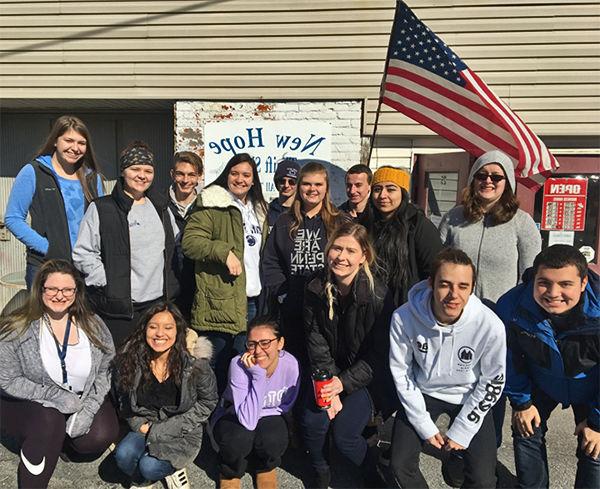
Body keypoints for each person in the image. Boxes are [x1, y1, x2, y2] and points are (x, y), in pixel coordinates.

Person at [389, 248, 506, 488]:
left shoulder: (490, 324)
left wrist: (464, 428)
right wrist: (423, 423)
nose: (454, 294)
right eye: (445, 284)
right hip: (424, 390)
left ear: (472, 287)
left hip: (469, 394)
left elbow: (493, 380)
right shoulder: (404, 317)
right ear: (431, 283)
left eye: (463, 286)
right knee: (399, 465)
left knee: (483, 479)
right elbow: (401, 372)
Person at [0, 259, 119, 489]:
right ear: (40, 289)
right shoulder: (19, 325)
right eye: (52, 289)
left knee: (98, 436)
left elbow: (107, 368)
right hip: (30, 403)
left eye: (67, 289)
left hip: (79, 398)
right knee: (49, 420)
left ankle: (59, 440)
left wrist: (90, 406)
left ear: (76, 292)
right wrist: (56, 397)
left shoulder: (93, 324)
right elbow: (7, 379)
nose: (60, 295)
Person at [496, 245, 599, 489]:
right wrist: (521, 402)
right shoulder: (512, 305)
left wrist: (596, 423)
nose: (553, 293)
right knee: (525, 430)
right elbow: (505, 357)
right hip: (541, 380)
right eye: (544, 283)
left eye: (565, 284)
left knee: (594, 450)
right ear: (533, 279)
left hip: (592, 387)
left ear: (583, 283)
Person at [301, 222, 394, 488]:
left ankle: (372, 472)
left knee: (344, 435)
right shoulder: (315, 289)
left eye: (350, 251)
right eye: (336, 248)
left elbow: (379, 355)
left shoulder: (379, 295)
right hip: (328, 371)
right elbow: (315, 341)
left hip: (367, 378)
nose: (341, 257)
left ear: (363, 256)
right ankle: (320, 469)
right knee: (313, 419)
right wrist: (329, 385)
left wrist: (343, 384)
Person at [73, 141, 180, 348]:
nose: (142, 175)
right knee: (121, 364)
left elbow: (174, 244)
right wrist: (106, 281)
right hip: (120, 309)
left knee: (151, 363)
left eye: (148, 170)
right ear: (123, 172)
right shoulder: (102, 209)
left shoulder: (161, 206)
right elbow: (83, 252)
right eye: (135, 169)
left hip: (157, 304)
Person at [182, 153, 268, 394]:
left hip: (251, 299)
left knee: (244, 363)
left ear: (254, 180)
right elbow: (190, 242)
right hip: (220, 299)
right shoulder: (212, 203)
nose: (240, 179)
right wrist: (223, 252)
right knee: (217, 367)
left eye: (246, 175)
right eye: (234, 173)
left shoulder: (259, 210)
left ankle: (236, 416)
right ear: (226, 175)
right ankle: (210, 421)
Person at [113, 302, 217, 489]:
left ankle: (174, 469)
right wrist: (138, 424)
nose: (160, 334)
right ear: (144, 329)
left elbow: (208, 401)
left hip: (182, 428)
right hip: (146, 424)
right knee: (124, 457)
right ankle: (143, 482)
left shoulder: (195, 365)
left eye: (168, 328)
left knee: (150, 466)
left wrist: (164, 430)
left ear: (178, 331)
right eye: (153, 327)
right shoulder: (131, 360)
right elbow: (123, 398)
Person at [5, 115, 104, 289]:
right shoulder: (34, 172)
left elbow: (102, 222)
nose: (75, 148)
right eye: (69, 140)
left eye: (81, 143)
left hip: (85, 268)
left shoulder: (92, 179)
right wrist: (48, 248)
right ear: (55, 142)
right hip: (45, 266)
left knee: (81, 317)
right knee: (44, 317)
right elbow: (13, 218)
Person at [260, 161, 344, 364]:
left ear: (326, 188)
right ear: (299, 187)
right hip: (293, 307)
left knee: (325, 361)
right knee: (294, 363)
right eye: (307, 184)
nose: (312, 189)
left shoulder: (340, 222)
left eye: (318, 184)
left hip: (328, 307)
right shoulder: (284, 221)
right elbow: (270, 262)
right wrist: (282, 294)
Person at [439, 149, 541, 305]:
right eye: (481, 175)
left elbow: (530, 275)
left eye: (496, 177)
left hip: (501, 313)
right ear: (473, 180)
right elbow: (438, 263)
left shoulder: (522, 222)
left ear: (507, 183)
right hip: (457, 310)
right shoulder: (453, 217)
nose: (488, 181)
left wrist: (515, 308)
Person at [211, 317, 300, 489]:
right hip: (233, 414)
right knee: (239, 438)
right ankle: (230, 471)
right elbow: (247, 420)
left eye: (265, 343)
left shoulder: (291, 364)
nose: (258, 351)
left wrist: (261, 414)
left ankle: (265, 467)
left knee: (274, 437)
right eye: (252, 344)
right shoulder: (238, 365)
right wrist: (258, 375)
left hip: (268, 413)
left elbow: (287, 404)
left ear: (280, 343)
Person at [365, 165, 442, 308]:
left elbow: (434, 270)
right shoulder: (366, 224)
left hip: (407, 307)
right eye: (377, 189)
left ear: (403, 193)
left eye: (391, 189)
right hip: (371, 306)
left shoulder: (418, 225)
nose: (382, 195)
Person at [168, 151, 203, 319]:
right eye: (180, 174)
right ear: (172, 175)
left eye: (191, 175)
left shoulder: (206, 206)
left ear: (199, 177)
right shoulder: (159, 204)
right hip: (168, 287)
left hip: (197, 285)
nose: (186, 180)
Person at [267, 158, 300, 228]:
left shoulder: (303, 211)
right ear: (276, 182)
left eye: (292, 182)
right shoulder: (267, 211)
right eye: (282, 181)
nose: (286, 185)